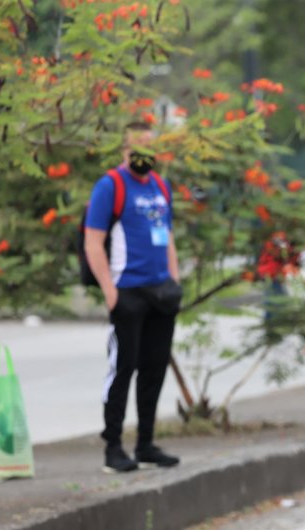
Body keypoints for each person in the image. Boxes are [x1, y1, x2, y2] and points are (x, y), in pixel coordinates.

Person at [83, 121, 183, 473]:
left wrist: (174, 279)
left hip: (161, 292)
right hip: (128, 292)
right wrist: (111, 292)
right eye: (137, 147)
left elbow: (167, 234)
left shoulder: (160, 186)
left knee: (154, 368)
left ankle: (146, 444)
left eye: (149, 147)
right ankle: (113, 447)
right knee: (123, 368)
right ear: (125, 149)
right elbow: (93, 242)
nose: (144, 155)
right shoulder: (110, 186)